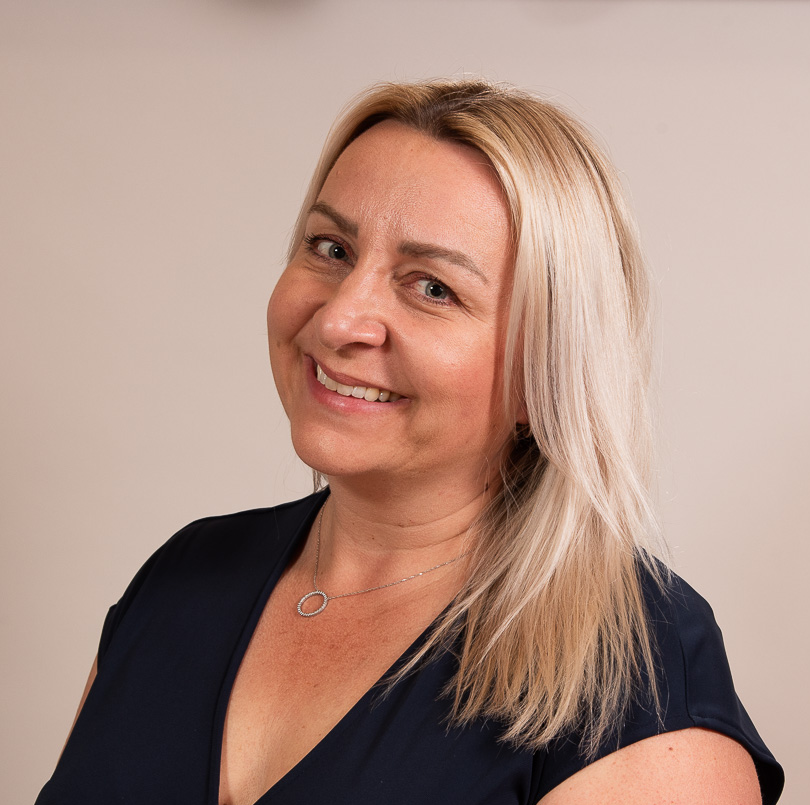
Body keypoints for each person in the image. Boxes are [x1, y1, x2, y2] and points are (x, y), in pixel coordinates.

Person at [36, 79, 783, 805]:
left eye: (432, 287)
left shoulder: (637, 668)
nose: (338, 320)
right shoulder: (180, 582)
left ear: (544, 370)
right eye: (330, 247)